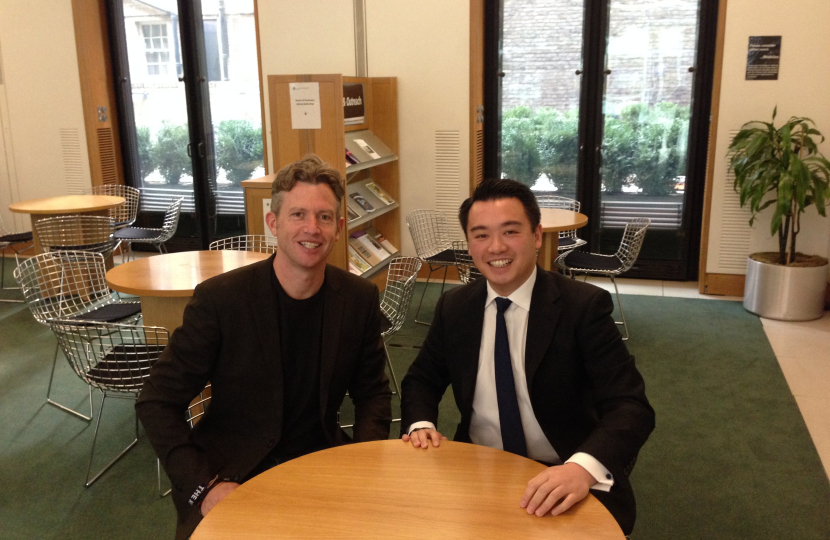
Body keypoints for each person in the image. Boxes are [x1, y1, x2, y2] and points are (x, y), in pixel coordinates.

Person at [137, 155, 392, 540]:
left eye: (324, 217)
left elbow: (372, 392)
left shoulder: (359, 299)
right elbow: (156, 401)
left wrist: (362, 462)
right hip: (230, 472)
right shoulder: (221, 300)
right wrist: (204, 486)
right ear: (273, 223)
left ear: (339, 228)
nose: (312, 228)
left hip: (320, 465)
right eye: (298, 215)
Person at [400, 179, 654, 535]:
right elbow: (421, 380)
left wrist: (581, 469)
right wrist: (421, 424)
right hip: (478, 468)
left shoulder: (582, 307)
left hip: (562, 469)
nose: (496, 247)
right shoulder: (455, 307)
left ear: (536, 236)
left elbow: (630, 406)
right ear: (469, 245)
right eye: (481, 235)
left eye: (510, 231)